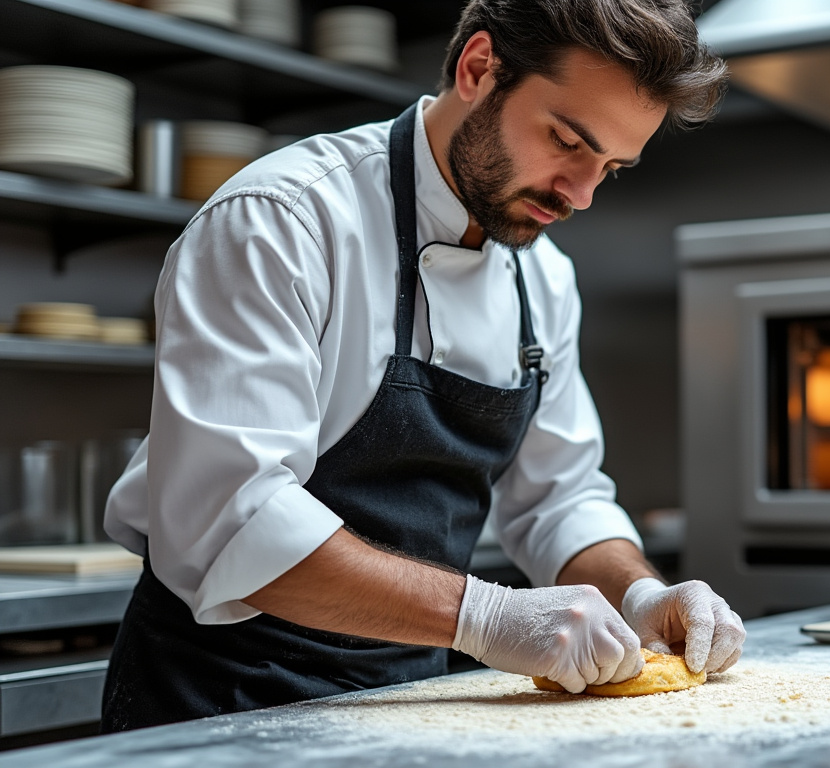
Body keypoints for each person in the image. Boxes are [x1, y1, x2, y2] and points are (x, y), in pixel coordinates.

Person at [100, 0, 743, 732]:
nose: (582, 195)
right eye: (567, 141)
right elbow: (231, 520)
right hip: (220, 702)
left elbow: (559, 500)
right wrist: (486, 615)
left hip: (406, 701)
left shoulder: (545, 280)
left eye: (611, 169)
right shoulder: (280, 221)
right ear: (478, 68)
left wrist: (639, 595)